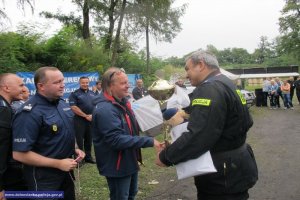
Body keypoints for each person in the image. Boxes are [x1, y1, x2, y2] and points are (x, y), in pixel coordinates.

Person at [155, 51, 258, 200]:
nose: (186, 75)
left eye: (187, 69)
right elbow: (244, 120)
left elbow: (199, 136)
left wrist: (166, 157)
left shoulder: (208, 89)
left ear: (201, 65)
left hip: (221, 175)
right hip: (237, 165)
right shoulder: (226, 82)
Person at [12, 67, 85, 200]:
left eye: (62, 81)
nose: (62, 85)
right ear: (41, 86)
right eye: (57, 82)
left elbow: (64, 132)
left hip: (66, 174)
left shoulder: (62, 104)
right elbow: (19, 154)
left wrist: (75, 148)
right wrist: (58, 164)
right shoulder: (29, 112)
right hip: (43, 179)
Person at [92, 67, 162, 200]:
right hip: (117, 163)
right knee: (121, 196)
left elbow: (132, 129)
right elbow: (116, 140)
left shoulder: (122, 103)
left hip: (129, 158)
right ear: (110, 86)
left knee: (131, 193)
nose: (128, 86)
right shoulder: (105, 109)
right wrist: (150, 141)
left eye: (127, 82)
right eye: (123, 83)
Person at [0, 73, 27, 200]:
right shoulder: (3, 110)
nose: (23, 88)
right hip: (8, 178)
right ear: (6, 88)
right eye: (21, 85)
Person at [69, 76, 96, 164]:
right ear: (79, 83)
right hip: (79, 120)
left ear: (89, 83)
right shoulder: (74, 94)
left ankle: (88, 157)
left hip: (90, 120)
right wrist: (85, 116)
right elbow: (73, 107)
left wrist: (92, 115)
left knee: (89, 139)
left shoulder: (92, 93)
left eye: (86, 82)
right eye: (83, 83)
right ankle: (80, 160)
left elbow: (96, 106)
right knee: (79, 140)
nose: (85, 84)